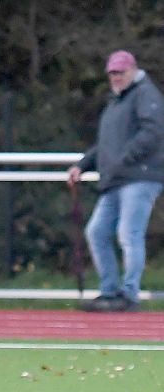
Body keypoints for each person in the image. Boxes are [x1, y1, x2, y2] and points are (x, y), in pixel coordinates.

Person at [68, 50, 164, 312]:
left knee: (129, 234)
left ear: (133, 70)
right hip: (116, 180)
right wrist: (82, 164)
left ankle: (129, 294)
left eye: (120, 72)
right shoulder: (116, 102)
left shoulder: (145, 94)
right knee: (96, 232)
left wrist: (124, 158)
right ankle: (109, 291)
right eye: (112, 73)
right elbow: (106, 145)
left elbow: (153, 132)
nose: (116, 77)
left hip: (140, 177)